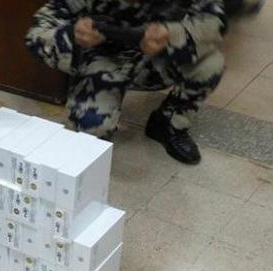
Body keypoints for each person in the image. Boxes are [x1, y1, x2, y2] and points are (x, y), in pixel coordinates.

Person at [26, 0, 227, 164]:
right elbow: (35, 36)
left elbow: (215, 21)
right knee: (88, 133)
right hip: (102, 62)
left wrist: (172, 34)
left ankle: (168, 124)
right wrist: (72, 35)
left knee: (210, 64)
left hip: (155, 58)